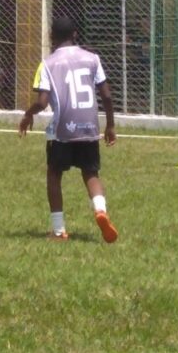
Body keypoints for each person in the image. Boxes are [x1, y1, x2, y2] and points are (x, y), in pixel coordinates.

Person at [19, 17, 118, 243]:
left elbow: (43, 101)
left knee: (54, 174)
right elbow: (107, 95)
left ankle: (58, 230)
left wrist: (27, 114)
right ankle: (100, 210)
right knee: (91, 172)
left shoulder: (47, 63)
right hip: (89, 126)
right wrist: (110, 125)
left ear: (52, 37)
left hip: (62, 130)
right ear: (75, 34)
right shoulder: (93, 58)